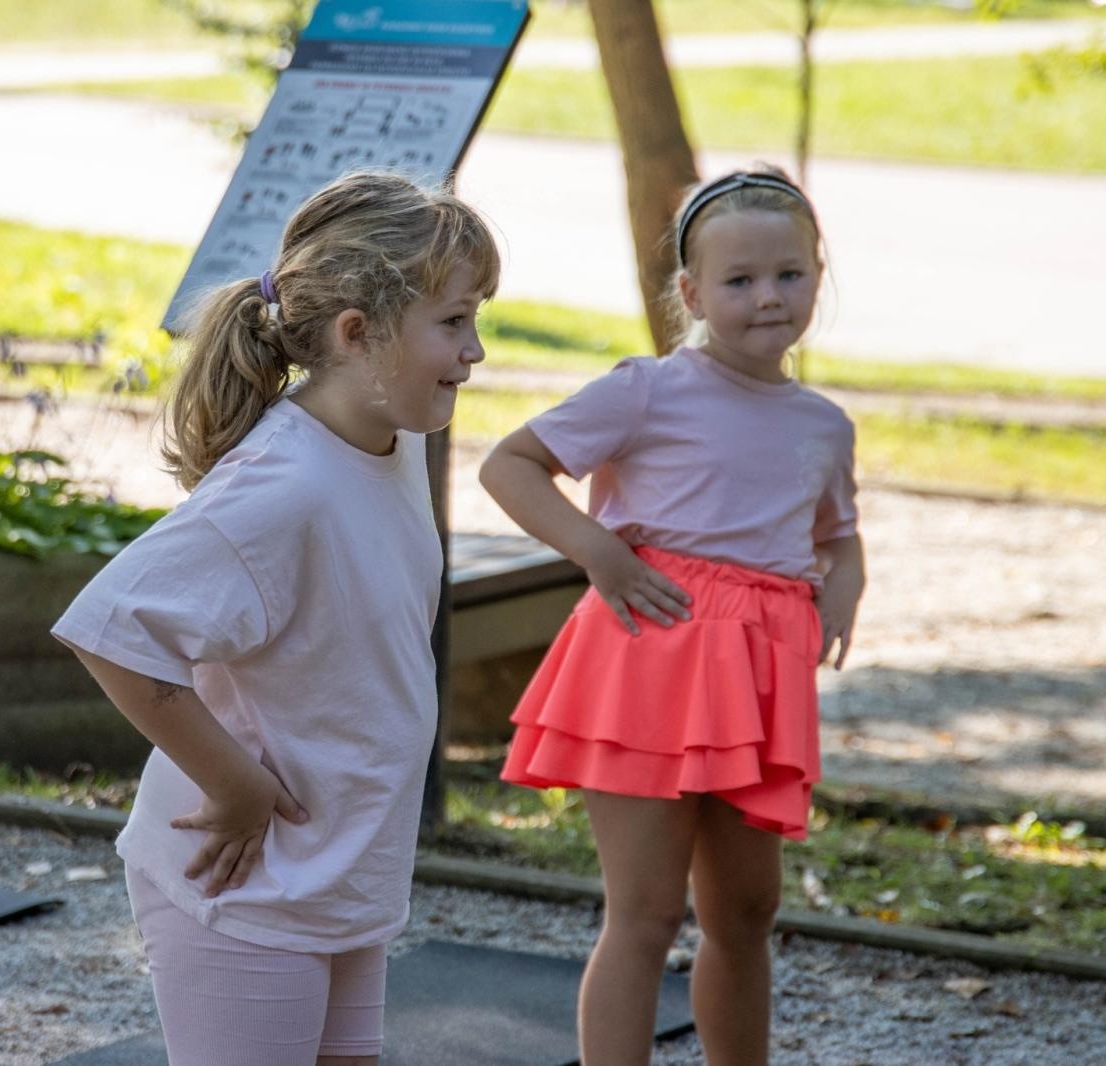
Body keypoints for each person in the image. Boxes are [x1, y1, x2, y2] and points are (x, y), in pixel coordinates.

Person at [52, 171, 498, 1066]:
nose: (476, 350)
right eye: (454, 322)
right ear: (357, 335)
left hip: (336, 870)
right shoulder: (281, 488)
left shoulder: (393, 440)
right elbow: (111, 630)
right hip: (246, 886)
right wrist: (235, 785)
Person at [479, 167, 865, 1066]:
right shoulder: (647, 389)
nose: (768, 298)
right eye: (738, 281)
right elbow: (511, 465)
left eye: (790, 275)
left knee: (745, 910)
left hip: (760, 679)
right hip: (649, 660)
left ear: (818, 273)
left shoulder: (824, 424)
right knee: (646, 912)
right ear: (691, 292)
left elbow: (837, 534)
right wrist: (601, 553)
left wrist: (845, 582)